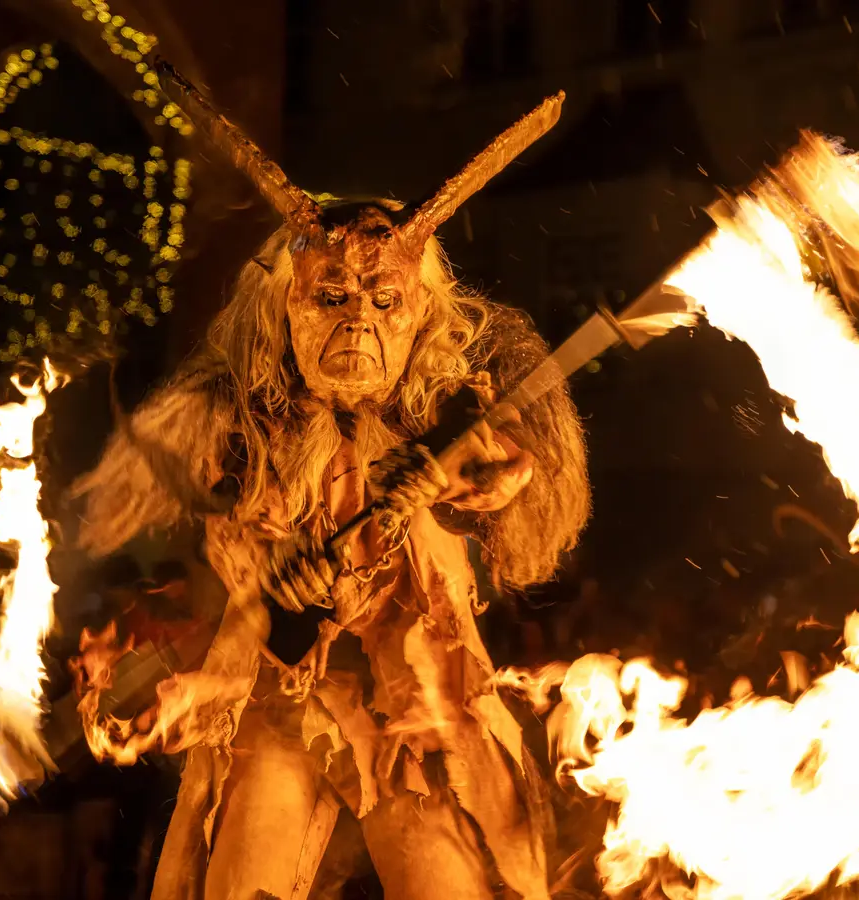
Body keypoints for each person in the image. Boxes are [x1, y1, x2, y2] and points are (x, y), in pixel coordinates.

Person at [69, 87, 588, 900]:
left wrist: (463, 480)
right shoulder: (231, 415)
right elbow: (175, 544)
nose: (359, 326)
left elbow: (517, 486)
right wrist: (271, 579)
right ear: (288, 304)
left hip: (420, 692)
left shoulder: (456, 405)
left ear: (420, 312)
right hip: (279, 699)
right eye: (333, 299)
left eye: (384, 303)